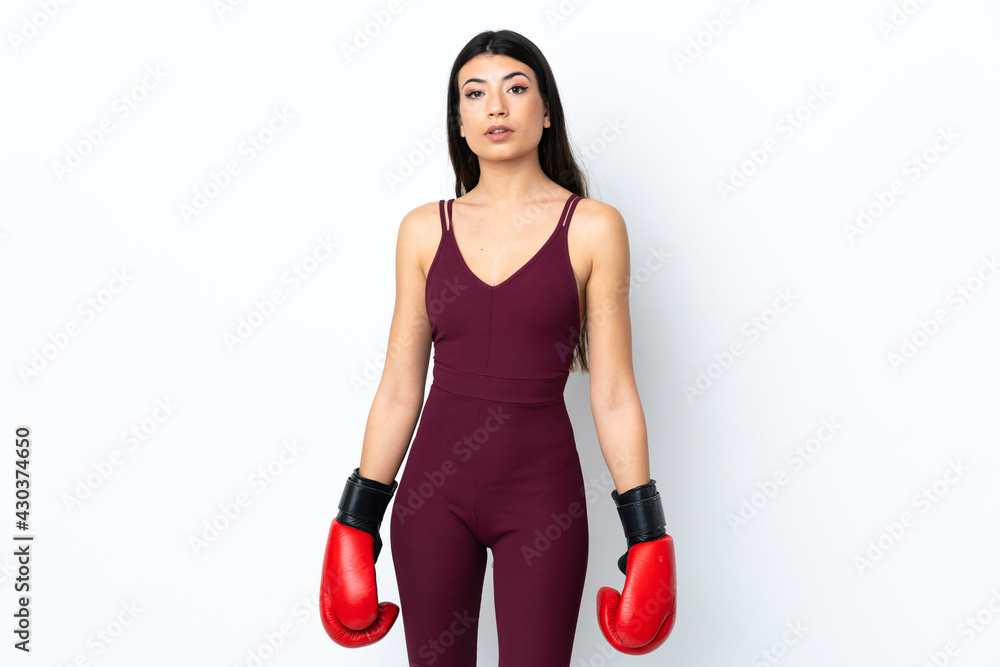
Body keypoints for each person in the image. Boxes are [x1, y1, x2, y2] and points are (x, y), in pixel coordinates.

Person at [318, 29, 675, 665]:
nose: (497, 107)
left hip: (542, 501)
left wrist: (646, 534)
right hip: (433, 500)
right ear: (459, 120)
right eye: (475, 94)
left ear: (547, 111)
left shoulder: (594, 228)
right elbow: (399, 387)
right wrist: (355, 521)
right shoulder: (423, 230)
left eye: (516, 88)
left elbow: (614, 393)